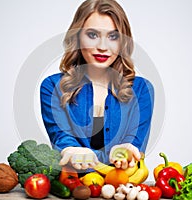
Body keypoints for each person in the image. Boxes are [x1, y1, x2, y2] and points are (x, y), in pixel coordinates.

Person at [40, 0, 154, 171]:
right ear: (77, 37)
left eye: (113, 36)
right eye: (92, 35)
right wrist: (72, 150)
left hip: (120, 188)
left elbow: (134, 146)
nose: (102, 47)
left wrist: (128, 150)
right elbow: (62, 140)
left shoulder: (142, 90)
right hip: (72, 190)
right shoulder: (52, 87)